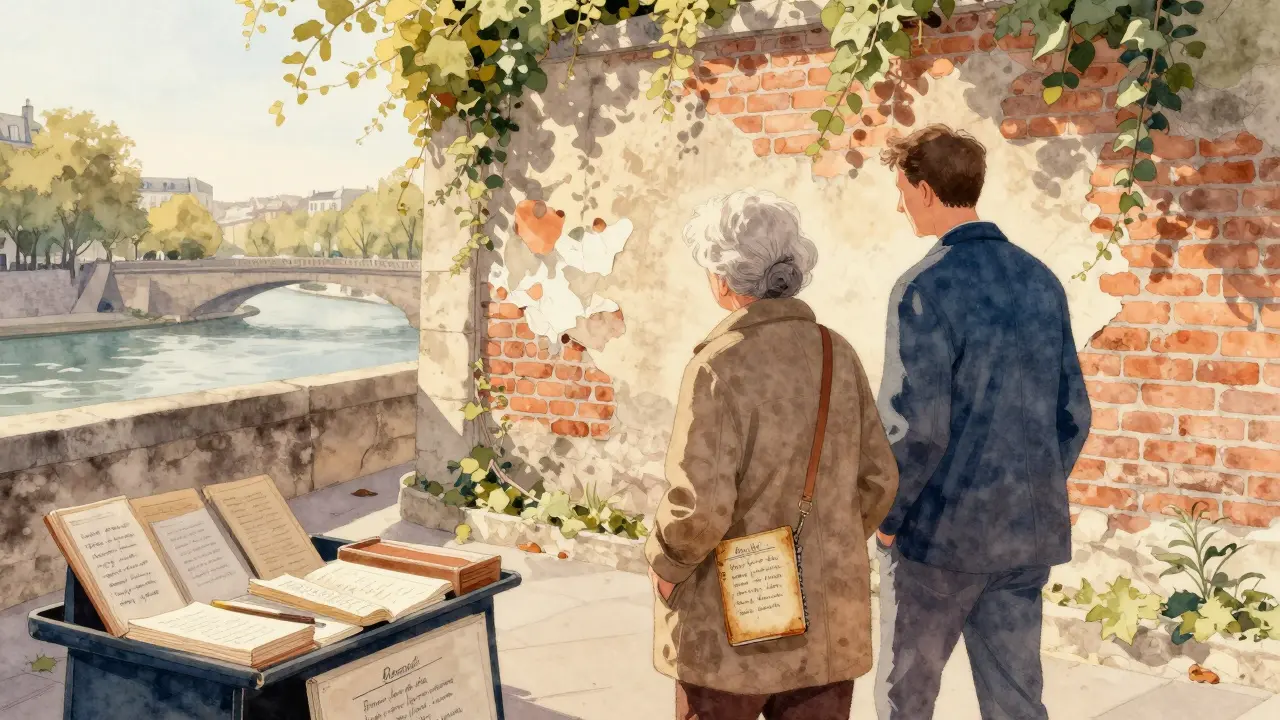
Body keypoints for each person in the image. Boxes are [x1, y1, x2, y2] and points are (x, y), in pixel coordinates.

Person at [646, 189, 899, 720]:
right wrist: (826, 540)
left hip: (732, 625)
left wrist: (666, 565)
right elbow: (878, 479)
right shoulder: (836, 351)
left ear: (723, 278)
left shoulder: (718, 365)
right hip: (829, 623)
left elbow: (699, 507)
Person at [872, 125, 1092, 720]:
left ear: (924, 190)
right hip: (1025, 533)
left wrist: (887, 518)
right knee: (1017, 702)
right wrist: (1035, 485)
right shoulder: (1040, 279)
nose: (899, 205)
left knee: (906, 699)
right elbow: (1074, 412)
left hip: (938, 538)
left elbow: (915, 427)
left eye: (901, 189)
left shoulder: (920, 287)